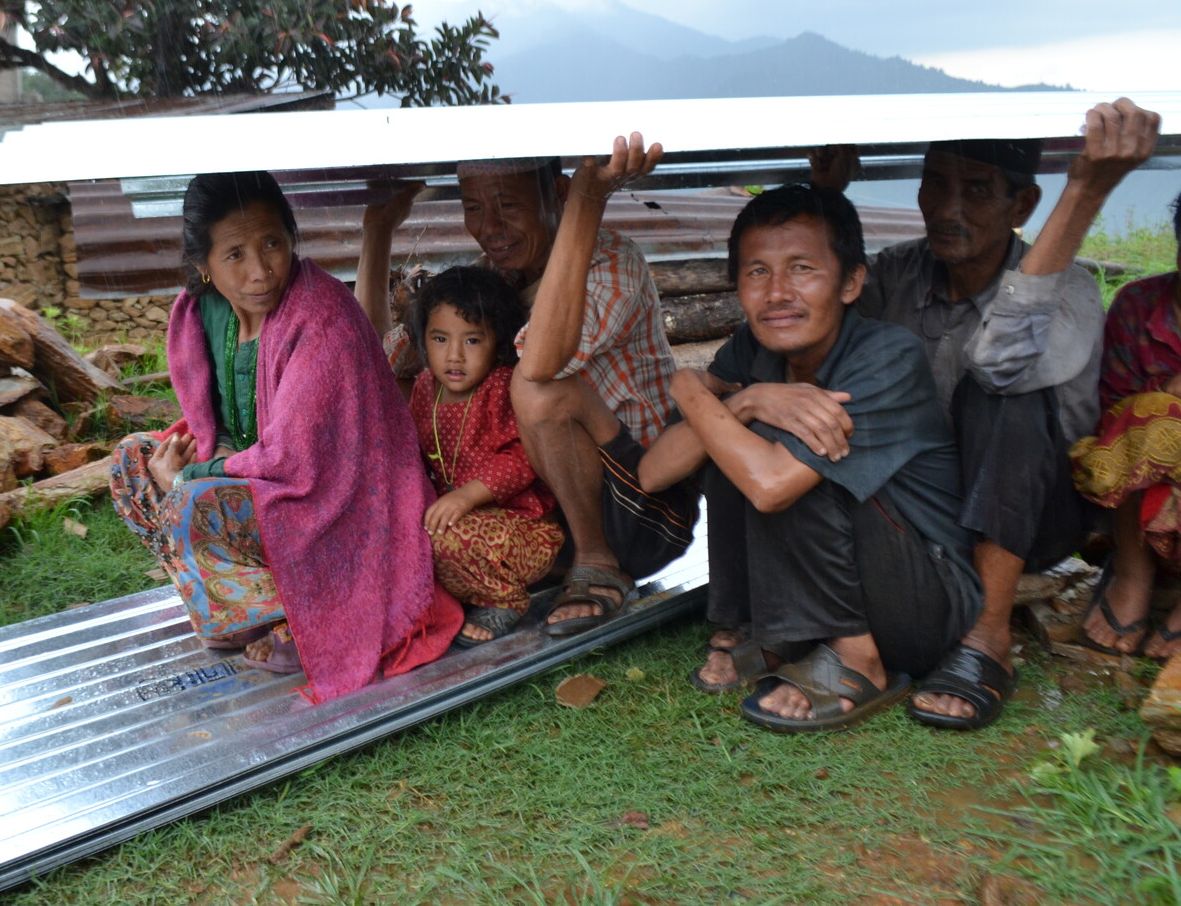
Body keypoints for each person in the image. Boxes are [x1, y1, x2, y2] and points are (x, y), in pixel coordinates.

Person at [802, 98, 1161, 729]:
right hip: (927, 510)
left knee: (1003, 391)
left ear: (1022, 206)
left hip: (1031, 519)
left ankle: (988, 636)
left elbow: (998, 366)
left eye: (976, 190)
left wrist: (1082, 192)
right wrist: (825, 196)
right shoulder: (893, 275)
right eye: (935, 185)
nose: (948, 209)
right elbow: (809, 324)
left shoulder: (1069, 287)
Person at [634, 183, 981, 731]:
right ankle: (774, 637)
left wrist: (716, 399)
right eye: (757, 272)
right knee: (726, 433)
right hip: (836, 585)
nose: (777, 293)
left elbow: (771, 485)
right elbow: (653, 473)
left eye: (802, 268)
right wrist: (722, 395)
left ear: (851, 282)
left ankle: (858, 657)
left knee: (781, 464)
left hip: (921, 603)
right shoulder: (753, 351)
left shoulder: (887, 356)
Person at [108, 171, 462, 702]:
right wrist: (205, 454)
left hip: (344, 498)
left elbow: (295, 459)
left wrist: (190, 473)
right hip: (261, 471)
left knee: (191, 498)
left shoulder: (320, 319)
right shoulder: (203, 311)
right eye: (235, 255)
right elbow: (212, 421)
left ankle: (300, 615)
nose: (260, 271)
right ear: (203, 265)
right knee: (128, 462)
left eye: (272, 243)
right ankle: (247, 611)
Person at [357, 146, 692, 636]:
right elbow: (386, 366)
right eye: (474, 208)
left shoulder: (612, 262)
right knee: (424, 375)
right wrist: (378, 231)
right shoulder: (499, 274)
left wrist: (586, 198)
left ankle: (598, 564)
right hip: (542, 514)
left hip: (639, 512)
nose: (490, 227)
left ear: (557, 194)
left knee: (537, 389)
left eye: (508, 206)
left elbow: (539, 364)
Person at [405, 265, 565, 647]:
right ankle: (453, 602)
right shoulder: (426, 387)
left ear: (498, 343)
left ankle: (505, 599)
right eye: (440, 338)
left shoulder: (501, 386)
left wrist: (465, 496)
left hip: (523, 530)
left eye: (472, 341)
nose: (454, 355)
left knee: (445, 540)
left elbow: (523, 459)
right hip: (460, 521)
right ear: (423, 340)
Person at [1069, 193, 1181, 660]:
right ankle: (1134, 573)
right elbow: (1114, 418)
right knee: (1149, 414)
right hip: (1150, 495)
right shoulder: (1139, 305)